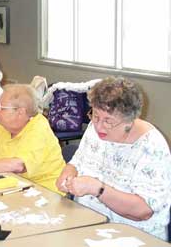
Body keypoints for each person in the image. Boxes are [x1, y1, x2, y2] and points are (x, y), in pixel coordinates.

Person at [56, 77, 171, 240]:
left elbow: (143, 211)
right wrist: (68, 174)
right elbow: (77, 162)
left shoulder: (151, 147)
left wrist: (98, 189)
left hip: (133, 237)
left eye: (109, 121)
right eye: (95, 116)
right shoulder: (95, 128)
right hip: (88, 225)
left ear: (129, 121)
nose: (99, 126)